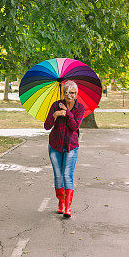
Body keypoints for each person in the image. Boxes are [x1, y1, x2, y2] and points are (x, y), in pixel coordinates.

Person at [44, 80, 84, 218]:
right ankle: (61, 203)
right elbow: (47, 126)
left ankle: (68, 207)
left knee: (67, 175)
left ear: (76, 94)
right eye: (66, 92)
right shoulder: (56, 105)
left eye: (72, 93)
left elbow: (74, 127)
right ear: (63, 93)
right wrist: (55, 115)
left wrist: (66, 113)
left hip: (71, 147)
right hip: (55, 146)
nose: (69, 95)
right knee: (58, 175)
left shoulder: (80, 108)